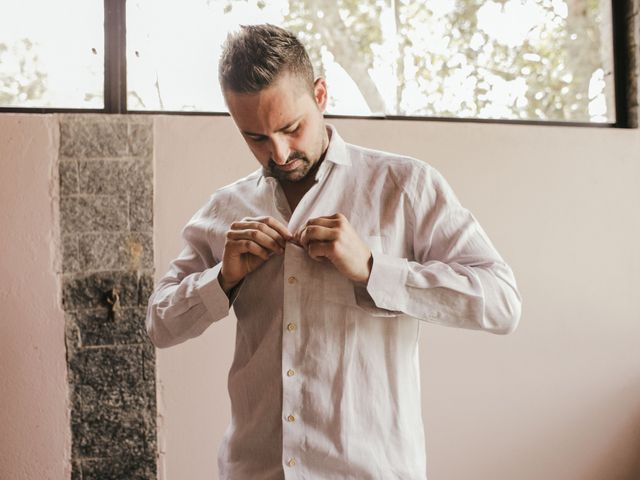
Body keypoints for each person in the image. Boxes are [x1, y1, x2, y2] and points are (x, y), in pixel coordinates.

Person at [146, 23, 521, 480]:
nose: (279, 153)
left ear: (320, 94)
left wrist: (372, 268)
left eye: (290, 128)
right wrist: (221, 279)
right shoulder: (225, 209)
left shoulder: (403, 187)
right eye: (256, 138)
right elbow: (160, 324)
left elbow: (501, 302)